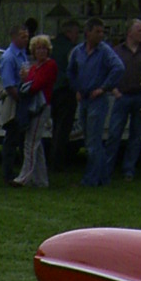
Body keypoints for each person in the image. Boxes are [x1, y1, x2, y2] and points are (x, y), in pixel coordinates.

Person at [67, 18, 124, 186]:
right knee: (89, 140)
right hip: (83, 98)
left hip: (97, 99)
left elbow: (119, 67)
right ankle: (103, 177)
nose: (101, 35)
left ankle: (91, 179)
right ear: (88, 32)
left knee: (93, 142)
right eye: (97, 31)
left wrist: (104, 87)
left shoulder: (105, 51)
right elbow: (70, 71)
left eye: (102, 32)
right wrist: (76, 88)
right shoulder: (78, 51)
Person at [104, 19, 141, 181]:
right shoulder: (116, 51)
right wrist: (113, 89)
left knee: (135, 136)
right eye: (139, 30)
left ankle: (129, 169)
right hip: (122, 96)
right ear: (130, 32)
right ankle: (107, 168)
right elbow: (106, 71)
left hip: (139, 97)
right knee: (114, 133)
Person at [11, 34, 57, 188]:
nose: (41, 51)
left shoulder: (50, 65)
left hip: (42, 107)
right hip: (33, 107)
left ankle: (24, 177)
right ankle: (41, 180)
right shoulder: (34, 66)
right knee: (36, 145)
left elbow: (36, 85)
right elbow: (29, 82)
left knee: (31, 143)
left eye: (44, 48)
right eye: (38, 48)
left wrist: (29, 81)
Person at [0, 24, 30, 184]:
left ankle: (23, 171)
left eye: (27, 36)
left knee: (23, 138)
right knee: (12, 137)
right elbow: (9, 84)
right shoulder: (9, 57)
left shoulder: (23, 54)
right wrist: (21, 101)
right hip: (14, 100)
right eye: (23, 37)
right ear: (14, 37)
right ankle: (7, 173)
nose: (26, 39)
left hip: (22, 97)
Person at [49, 18, 80, 171]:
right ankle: (58, 162)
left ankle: (54, 158)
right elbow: (74, 68)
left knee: (56, 126)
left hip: (52, 90)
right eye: (76, 33)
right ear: (69, 32)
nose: (78, 36)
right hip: (66, 90)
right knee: (64, 128)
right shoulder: (72, 48)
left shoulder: (52, 45)